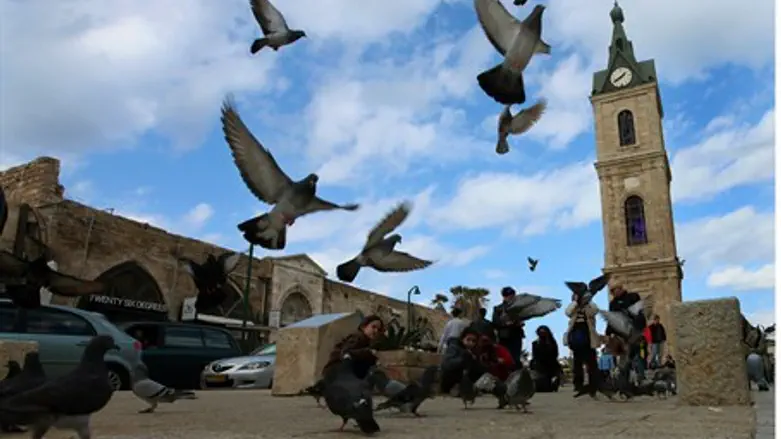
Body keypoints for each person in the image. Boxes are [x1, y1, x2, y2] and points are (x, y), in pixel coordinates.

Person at [322, 315, 384, 380]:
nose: (376, 331)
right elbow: (346, 352)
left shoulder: (366, 342)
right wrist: (368, 351)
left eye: (379, 329)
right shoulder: (359, 336)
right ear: (364, 326)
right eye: (373, 327)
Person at [564, 292, 600, 397]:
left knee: (591, 362)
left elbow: (595, 311)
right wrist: (575, 302)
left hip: (588, 336)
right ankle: (578, 384)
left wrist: (587, 301)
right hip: (576, 337)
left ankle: (594, 383)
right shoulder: (573, 307)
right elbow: (568, 312)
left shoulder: (589, 306)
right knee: (577, 362)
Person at [440, 327, 485, 394]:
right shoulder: (454, 347)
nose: (471, 343)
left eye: (473, 341)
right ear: (462, 339)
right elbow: (447, 364)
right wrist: (463, 357)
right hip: (451, 377)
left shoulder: (473, 351)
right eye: (468, 339)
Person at [492, 287, 525, 364]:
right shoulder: (498, 308)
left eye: (512, 295)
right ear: (504, 296)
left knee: (515, 359)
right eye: (508, 295)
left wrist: (519, 323)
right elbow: (495, 323)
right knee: (505, 358)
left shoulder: (518, 308)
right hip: (505, 337)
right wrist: (507, 324)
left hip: (516, 335)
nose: (511, 297)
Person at [531, 325, 561, 392]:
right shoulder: (535, 343)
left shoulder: (552, 343)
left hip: (551, 366)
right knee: (543, 387)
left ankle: (553, 382)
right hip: (541, 367)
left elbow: (555, 354)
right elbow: (535, 356)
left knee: (546, 387)